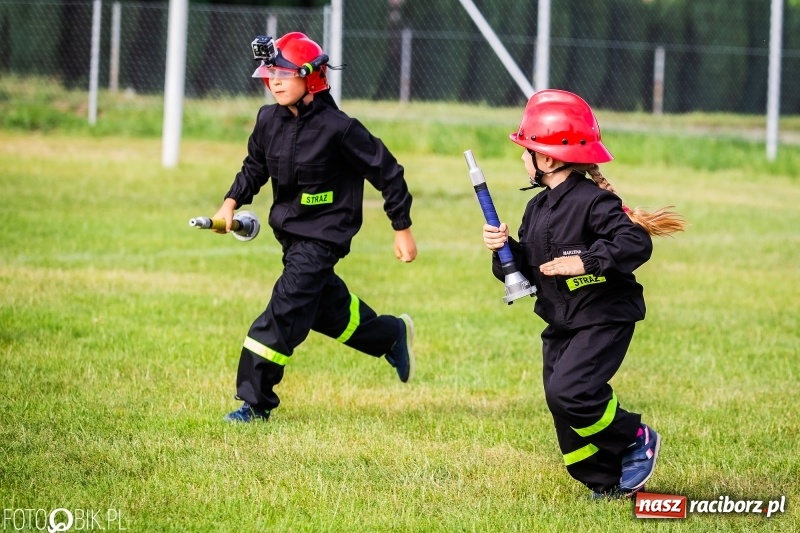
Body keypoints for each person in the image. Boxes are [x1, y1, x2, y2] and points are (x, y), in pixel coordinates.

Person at [481, 89, 685, 498]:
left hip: (603, 317)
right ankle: (605, 481)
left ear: (550, 159)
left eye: (526, 149)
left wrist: (587, 261)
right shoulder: (536, 209)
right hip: (561, 321)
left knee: (570, 391)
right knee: (561, 406)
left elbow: (635, 243)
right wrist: (504, 250)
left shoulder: (594, 203)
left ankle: (635, 437)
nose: (522, 157)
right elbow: (530, 269)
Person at [212, 32, 417, 423]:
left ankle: (255, 403)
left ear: (312, 78)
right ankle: (390, 335)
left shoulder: (339, 128)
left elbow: (387, 172)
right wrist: (230, 203)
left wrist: (401, 227)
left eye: (284, 73)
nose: (274, 81)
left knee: (283, 311)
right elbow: (255, 166)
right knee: (326, 309)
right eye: (270, 73)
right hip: (290, 237)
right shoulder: (268, 119)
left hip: (324, 238)